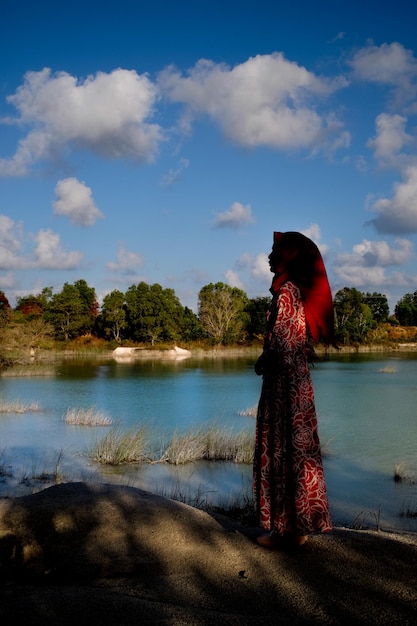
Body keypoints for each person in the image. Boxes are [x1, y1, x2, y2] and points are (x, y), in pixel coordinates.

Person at [253, 231, 336, 548]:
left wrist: (263, 360)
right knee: (295, 452)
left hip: (284, 390)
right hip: (293, 386)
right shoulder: (291, 291)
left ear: (287, 258)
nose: (269, 257)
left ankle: (288, 532)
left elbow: (284, 345)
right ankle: (296, 529)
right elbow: (297, 343)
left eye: (275, 252)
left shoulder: (287, 292)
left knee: (284, 450)